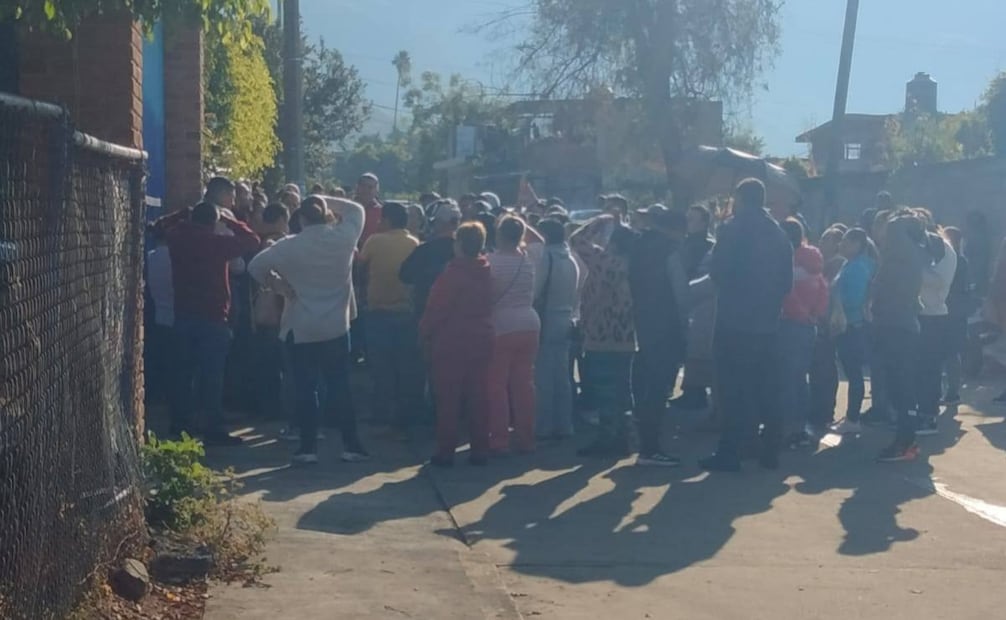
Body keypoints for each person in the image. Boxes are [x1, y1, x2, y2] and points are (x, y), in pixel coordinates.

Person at [247, 196, 369, 465]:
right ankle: (351, 444)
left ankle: (308, 447)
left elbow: (254, 266)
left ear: (299, 219)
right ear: (326, 215)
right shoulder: (343, 238)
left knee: (305, 388)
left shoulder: (288, 246)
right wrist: (322, 199)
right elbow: (356, 208)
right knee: (340, 387)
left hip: (299, 326)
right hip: (336, 325)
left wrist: (277, 284)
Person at [700, 179, 793, 472]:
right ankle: (769, 450)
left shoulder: (732, 228)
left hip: (734, 319)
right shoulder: (779, 234)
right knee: (766, 387)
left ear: (740, 198)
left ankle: (731, 452)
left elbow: (718, 271)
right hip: (768, 321)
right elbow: (787, 282)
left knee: (732, 389)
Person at [155, 200, 261, 445]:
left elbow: (157, 227)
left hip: (183, 314)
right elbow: (252, 240)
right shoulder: (217, 243)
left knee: (183, 374)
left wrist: (182, 211)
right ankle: (212, 427)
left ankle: (180, 424)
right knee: (212, 377)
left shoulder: (178, 238)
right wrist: (231, 221)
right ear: (214, 222)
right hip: (214, 317)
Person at [420, 222, 495, 467]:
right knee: (479, 396)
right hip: (481, 336)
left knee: (448, 399)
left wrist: (424, 333)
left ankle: (446, 450)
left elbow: (436, 309)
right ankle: (480, 448)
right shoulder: (486, 270)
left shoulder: (452, 274)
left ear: (460, 244)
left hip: (451, 339)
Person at [628, 205, 689, 467]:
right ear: (677, 230)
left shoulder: (638, 244)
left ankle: (643, 440)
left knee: (642, 385)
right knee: (659, 388)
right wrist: (686, 325)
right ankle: (651, 448)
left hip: (638, 321)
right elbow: (681, 294)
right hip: (665, 325)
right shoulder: (671, 251)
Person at [571, 215, 637, 457]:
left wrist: (601, 220)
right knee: (622, 389)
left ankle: (608, 438)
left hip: (600, 333)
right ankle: (625, 436)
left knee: (604, 390)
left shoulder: (604, 261)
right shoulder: (634, 265)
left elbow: (576, 239)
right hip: (627, 335)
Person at [870, 211, 931, 462]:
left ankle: (906, 442)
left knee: (900, 387)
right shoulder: (909, 254)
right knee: (899, 387)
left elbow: (883, 289)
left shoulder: (900, 254)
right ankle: (907, 439)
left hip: (895, 325)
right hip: (898, 324)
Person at [358, 202, 423, 435]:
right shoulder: (414, 243)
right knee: (404, 366)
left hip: (378, 311)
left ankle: (381, 413)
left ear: (387, 220)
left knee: (380, 367)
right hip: (406, 312)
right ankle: (404, 414)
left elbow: (359, 267)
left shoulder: (374, 240)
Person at [487, 216, 544, 454]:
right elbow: (539, 239)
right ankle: (525, 437)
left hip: (501, 325)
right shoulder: (529, 259)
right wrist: (520, 220)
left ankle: (499, 439)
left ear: (499, 235)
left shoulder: (491, 261)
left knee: (497, 386)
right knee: (524, 384)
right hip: (530, 323)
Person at [778, 218, 829, 448]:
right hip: (809, 325)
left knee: (787, 379)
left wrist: (799, 313)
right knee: (800, 379)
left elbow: (787, 293)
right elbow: (823, 292)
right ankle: (799, 428)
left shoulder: (788, 262)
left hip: (790, 323)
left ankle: (788, 428)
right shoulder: (815, 262)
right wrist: (814, 314)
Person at [533, 218, 580, 440]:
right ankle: (565, 423)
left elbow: (536, 291)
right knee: (563, 377)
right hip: (567, 317)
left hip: (548, 318)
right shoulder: (571, 259)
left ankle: (544, 425)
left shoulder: (547, 258)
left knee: (543, 375)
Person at [829, 228, 876, 435]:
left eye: (846, 242)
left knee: (854, 374)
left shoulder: (858, 267)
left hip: (852, 326)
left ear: (857, 244)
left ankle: (852, 417)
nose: (841, 245)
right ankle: (852, 416)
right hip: (851, 325)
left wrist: (837, 306)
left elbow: (854, 300)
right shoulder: (853, 264)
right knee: (853, 373)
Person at [250, 204, 292, 422]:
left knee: (268, 362)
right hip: (274, 309)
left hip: (265, 310)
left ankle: (267, 405)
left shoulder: (261, 241)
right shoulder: (275, 244)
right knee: (275, 362)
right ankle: (272, 407)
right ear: (281, 219)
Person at [915, 225, 957, 436]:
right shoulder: (933, 249)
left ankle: (928, 415)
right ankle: (922, 411)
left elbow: (938, 281)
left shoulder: (945, 251)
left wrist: (915, 266)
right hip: (924, 314)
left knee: (928, 369)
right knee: (923, 369)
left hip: (933, 315)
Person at [807, 225, 848, 433]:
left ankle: (823, 411)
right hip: (822, 320)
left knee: (823, 368)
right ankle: (820, 409)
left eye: (826, 240)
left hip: (826, 322)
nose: (821, 243)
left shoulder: (835, 265)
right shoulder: (825, 264)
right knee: (820, 368)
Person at [400, 199, 462, 320]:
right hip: (457, 316)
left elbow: (404, 275)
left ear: (440, 223)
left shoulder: (424, 250)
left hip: (425, 311)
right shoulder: (465, 251)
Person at [942, 226, 972, 406]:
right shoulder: (961, 261)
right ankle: (952, 391)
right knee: (952, 353)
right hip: (956, 313)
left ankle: (952, 391)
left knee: (950, 353)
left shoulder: (955, 261)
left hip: (951, 312)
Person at [145, 226, 174, 405]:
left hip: (156, 313)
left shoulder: (150, 257)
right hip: (176, 313)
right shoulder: (176, 257)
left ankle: (154, 395)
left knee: (156, 357)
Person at [683, 204, 715, 280]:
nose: (686, 222)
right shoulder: (683, 241)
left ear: (703, 223)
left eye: (690, 219)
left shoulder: (711, 246)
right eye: (686, 219)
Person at [355, 173, 383, 248]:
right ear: (357, 187)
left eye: (370, 187)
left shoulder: (381, 212)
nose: (366, 190)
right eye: (363, 186)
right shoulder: (347, 208)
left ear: (377, 191)